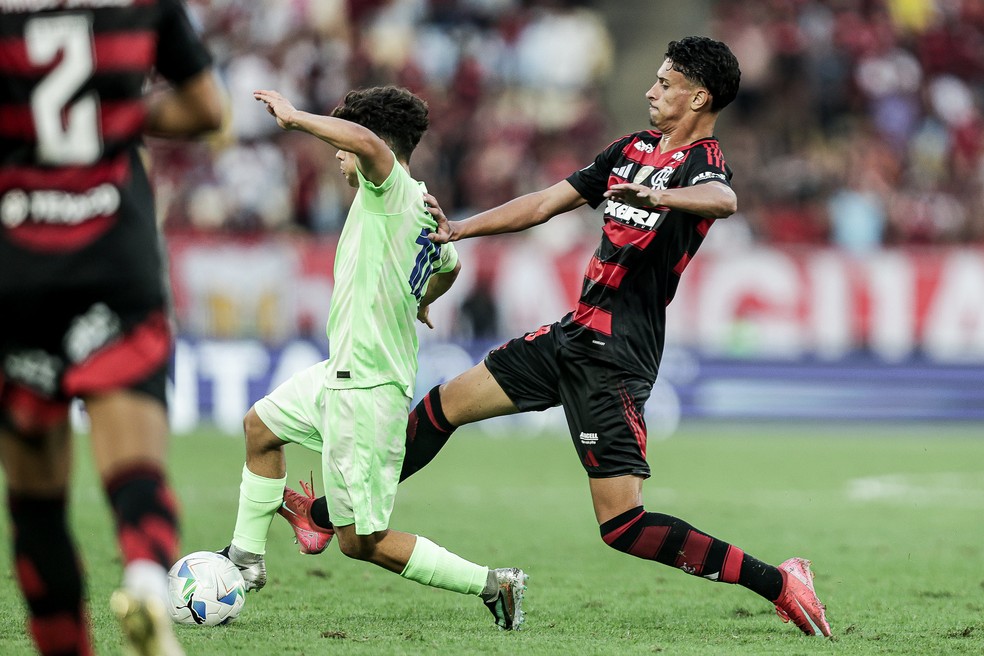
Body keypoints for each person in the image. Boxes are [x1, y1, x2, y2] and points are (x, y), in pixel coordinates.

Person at [282, 36, 832, 638]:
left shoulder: (703, 166)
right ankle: (327, 515)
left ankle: (779, 582)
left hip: (616, 358)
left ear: (699, 96)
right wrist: (464, 228)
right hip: (571, 336)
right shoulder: (629, 151)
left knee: (622, 526)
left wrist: (660, 196)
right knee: (442, 408)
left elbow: (723, 200)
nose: (651, 90)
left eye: (665, 83)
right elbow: (547, 202)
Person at [219, 86, 528, 631]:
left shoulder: (390, 188)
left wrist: (294, 119)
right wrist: (425, 299)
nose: (339, 155)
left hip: (366, 388)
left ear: (373, 146)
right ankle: (245, 561)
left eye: (345, 144)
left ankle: (493, 583)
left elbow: (363, 142)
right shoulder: (420, 202)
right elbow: (451, 263)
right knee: (260, 427)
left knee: (361, 543)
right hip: (341, 373)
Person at [0, 1, 224, 655]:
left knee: (36, 505)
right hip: (112, 259)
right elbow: (209, 110)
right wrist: (117, 116)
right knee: (135, 472)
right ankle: (150, 582)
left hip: (16, 264)